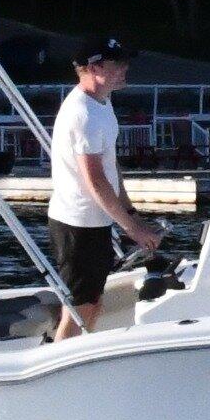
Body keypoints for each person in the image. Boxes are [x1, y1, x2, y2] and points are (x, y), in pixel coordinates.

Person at [49, 38, 162, 340]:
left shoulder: (102, 103)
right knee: (80, 309)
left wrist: (130, 212)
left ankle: (71, 360)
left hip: (95, 222)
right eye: (118, 63)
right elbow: (95, 181)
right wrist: (133, 230)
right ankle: (59, 369)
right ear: (95, 67)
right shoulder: (83, 114)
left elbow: (111, 168)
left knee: (93, 304)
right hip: (77, 224)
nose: (126, 68)